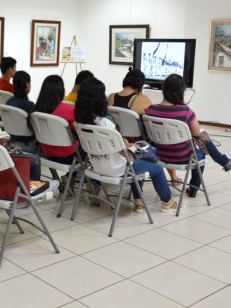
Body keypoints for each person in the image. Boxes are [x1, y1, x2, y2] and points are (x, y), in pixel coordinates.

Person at [75, 77, 178, 213]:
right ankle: (167, 202)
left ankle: (138, 201)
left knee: (138, 158)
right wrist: (132, 147)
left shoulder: (80, 122)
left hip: (96, 167)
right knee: (155, 165)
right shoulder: (106, 122)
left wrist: (126, 145)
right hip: (116, 169)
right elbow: (123, 152)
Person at [146, 74, 231, 197]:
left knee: (201, 139)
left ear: (163, 88)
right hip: (181, 157)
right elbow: (196, 133)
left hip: (158, 155)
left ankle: (225, 162)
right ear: (181, 92)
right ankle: (195, 187)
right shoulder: (185, 111)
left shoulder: (151, 110)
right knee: (200, 149)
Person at [35, 75, 81, 165]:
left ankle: (72, 176)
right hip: (68, 155)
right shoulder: (69, 110)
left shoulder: (37, 110)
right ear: (60, 90)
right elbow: (79, 132)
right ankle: (76, 176)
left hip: (47, 152)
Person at [5, 70, 36, 152]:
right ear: (26, 84)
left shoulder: (8, 102)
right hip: (28, 144)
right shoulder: (29, 105)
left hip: (12, 141)